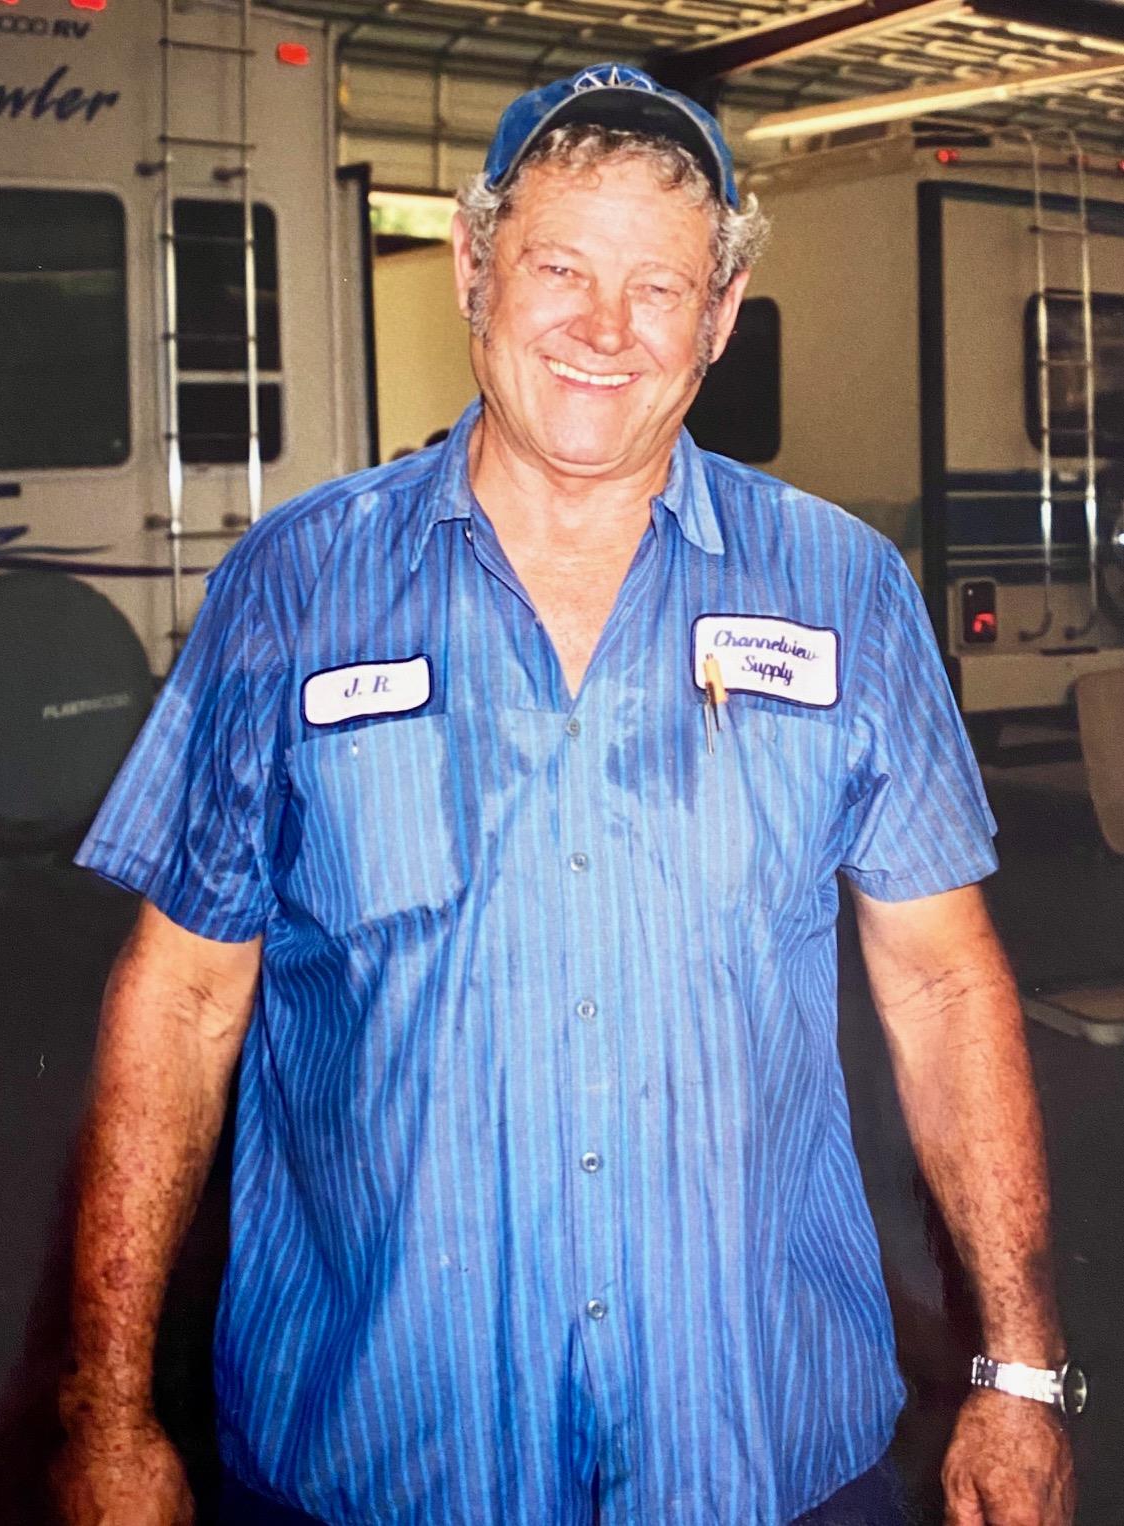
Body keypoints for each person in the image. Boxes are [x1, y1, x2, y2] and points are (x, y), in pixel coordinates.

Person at [55, 63, 1078, 1526]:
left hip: (760, 1443)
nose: (605, 330)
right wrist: (106, 1407)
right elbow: (182, 1002)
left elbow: (940, 990)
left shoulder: (842, 589)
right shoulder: (292, 587)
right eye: (558, 267)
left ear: (717, 319)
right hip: (377, 1454)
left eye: (660, 286)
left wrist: (1020, 1372)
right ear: (476, 269)